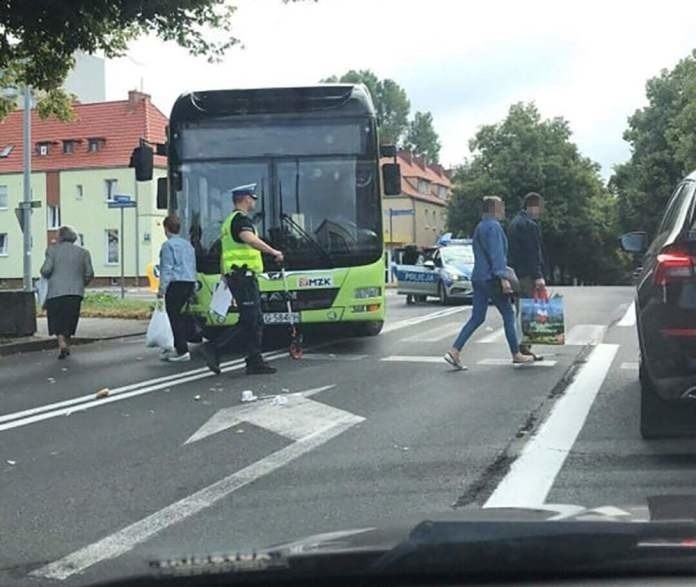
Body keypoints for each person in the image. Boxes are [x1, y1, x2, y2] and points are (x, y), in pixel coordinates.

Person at [201, 183, 284, 375]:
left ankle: (254, 360)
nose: (254, 201)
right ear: (245, 199)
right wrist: (273, 252)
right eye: (252, 198)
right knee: (249, 319)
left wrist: (224, 277)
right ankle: (215, 348)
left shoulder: (229, 221)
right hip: (242, 276)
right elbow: (250, 240)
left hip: (237, 276)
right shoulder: (241, 221)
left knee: (255, 320)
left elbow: (225, 253)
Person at [443, 196, 533, 370]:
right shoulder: (494, 227)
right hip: (492, 278)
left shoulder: (480, 226)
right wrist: (503, 278)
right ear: (494, 209)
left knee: (477, 317)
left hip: (478, 277)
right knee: (508, 313)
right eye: (502, 207)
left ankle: (454, 351)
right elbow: (496, 254)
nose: (504, 210)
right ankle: (516, 354)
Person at [40, 226, 94, 359]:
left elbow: (46, 270)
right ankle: (67, 344)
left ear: (60, 237)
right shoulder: (84, 253)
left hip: (56, 292)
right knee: (70, 319)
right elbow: (89, 273)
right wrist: (81, 283)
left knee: (57, 320)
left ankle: (62, 344)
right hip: (75, 293)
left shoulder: (52, 250)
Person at [508, 192, 548, 361]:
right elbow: (532, 253)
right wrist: (538, 275)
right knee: (528, 312)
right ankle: (522, 349)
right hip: (527, 275)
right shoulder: (529, 225)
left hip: (516, 274)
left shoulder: (514, 223)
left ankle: (521, 349)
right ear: (532, 207)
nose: (540, 212)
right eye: (539, 208)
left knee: (521, 310)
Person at [158, 214, 197, 362]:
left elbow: (167, 268)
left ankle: (182, 350)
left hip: (175, 283)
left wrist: (162, 289)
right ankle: (179, 346)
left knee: (174, 317)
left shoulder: (168, 245)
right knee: (180, 315)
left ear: (166, 228)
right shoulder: (188, 245)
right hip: (188, 282)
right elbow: (193, 266)